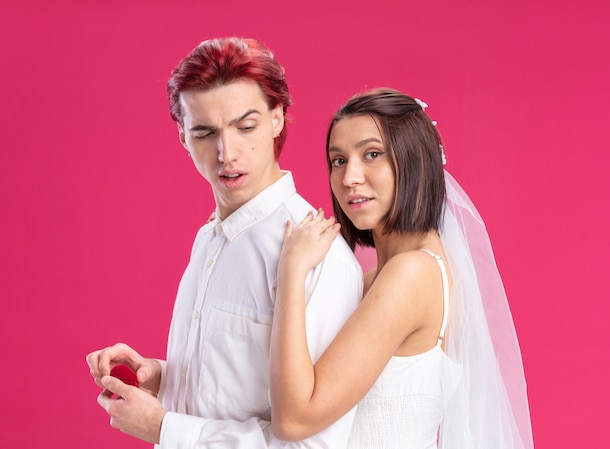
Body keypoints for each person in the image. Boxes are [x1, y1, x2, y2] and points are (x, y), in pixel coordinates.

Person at [86, 37, 363, 448]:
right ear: (183, 137)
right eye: (204, 132)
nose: (226, 152)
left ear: (277, 119)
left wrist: (164, 428)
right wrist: (163, 377)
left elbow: (313, 442)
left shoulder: (321, 260)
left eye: (245, 126)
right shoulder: (210, 238)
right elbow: (232, 388)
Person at [269, 88, 534, 448]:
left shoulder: (411, 274)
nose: (349, 178)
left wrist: (291, 271)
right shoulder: (380, 276)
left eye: (372, 154)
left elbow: (295, 419)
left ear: (414, 161)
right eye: (338, 160)